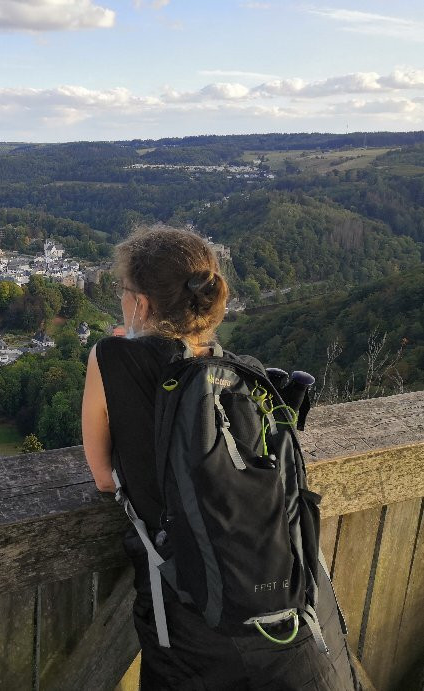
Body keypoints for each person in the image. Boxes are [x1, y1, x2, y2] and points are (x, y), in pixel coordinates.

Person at [81, 225, 357, 690]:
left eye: (123, 290)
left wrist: (122, 346)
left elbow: (105, 477)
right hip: (287, 624)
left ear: (141, 304)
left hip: (190, 631)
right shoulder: (240, 373)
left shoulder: (111, 358)